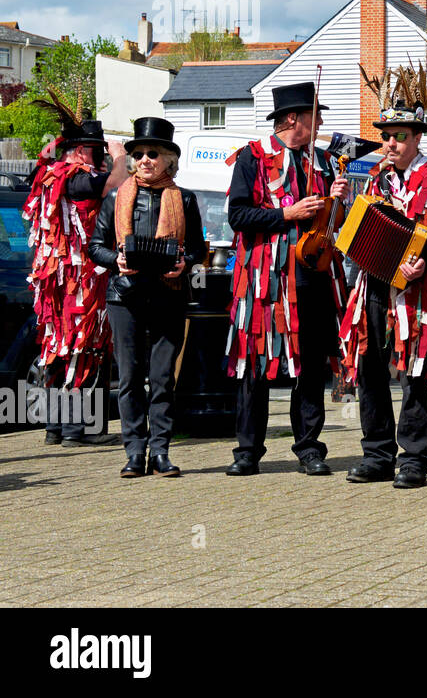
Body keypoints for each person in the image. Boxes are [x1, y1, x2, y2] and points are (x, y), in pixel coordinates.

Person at [224, 81, 349, 477]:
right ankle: (247, 451)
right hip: (264, 280)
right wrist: (287, 215)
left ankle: (310, 448)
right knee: (255, 363)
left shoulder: (326, 161)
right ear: (293, 118)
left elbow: (333, 224)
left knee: (311, 366)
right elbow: (238, 216)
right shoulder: (252, 158)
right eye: (317, 114)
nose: (322, 122)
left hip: (312, 275)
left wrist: (336, 199)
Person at [340, 67, 427, 489]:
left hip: (418, 290)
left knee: (416, 371)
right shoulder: (376, 177)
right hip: (374, 284)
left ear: (417, 137)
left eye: (399, 136)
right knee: (369, 365)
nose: (390, 143)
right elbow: (359, 229)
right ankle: (377, 453)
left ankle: (415, 457)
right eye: (386, 135)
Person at [89, 117, 206, 477]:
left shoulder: (184, 198)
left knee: (161, 378)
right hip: (125, 296)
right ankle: (134, 452)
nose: (145, 160)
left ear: (169, 159)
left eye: (153, 153)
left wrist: (183, 264)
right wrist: (117, 260)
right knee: (129, 376)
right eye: (138, 154)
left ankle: (160, 452)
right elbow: (95, 247)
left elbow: (198, 247)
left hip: (169, 295)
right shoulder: (116, 197)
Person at [22, 93, 125, 447]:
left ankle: (57, 428)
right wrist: (121, 155)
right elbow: (112, 184)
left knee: (60, 345)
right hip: (79, 279)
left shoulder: (49, 175)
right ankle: (78, 429)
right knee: (86, 344)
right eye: (95, 150)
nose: (100, 156)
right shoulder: (77, 178)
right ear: (81, 150)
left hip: (60, 279)